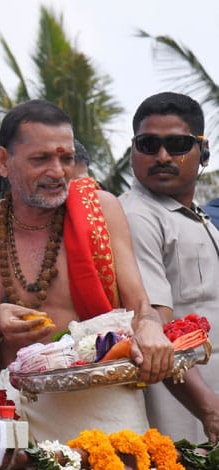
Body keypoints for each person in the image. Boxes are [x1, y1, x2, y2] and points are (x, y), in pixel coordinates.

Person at [0, 99, 174, 441]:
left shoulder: (102, 209)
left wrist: (151, 328)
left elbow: (142, 309)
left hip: (108, 406)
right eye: (40, 159)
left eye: (65, 158)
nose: (57, 171)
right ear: (4, 162)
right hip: (20, 411)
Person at [119, 92, 219, 443]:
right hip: (179, 420)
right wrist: (209, 409)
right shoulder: (135, 216)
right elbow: (151, 329)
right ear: (132, 150)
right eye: (148, 144)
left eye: (177, 144)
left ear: (203, 152)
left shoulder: (198, 218)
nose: (162, 156)